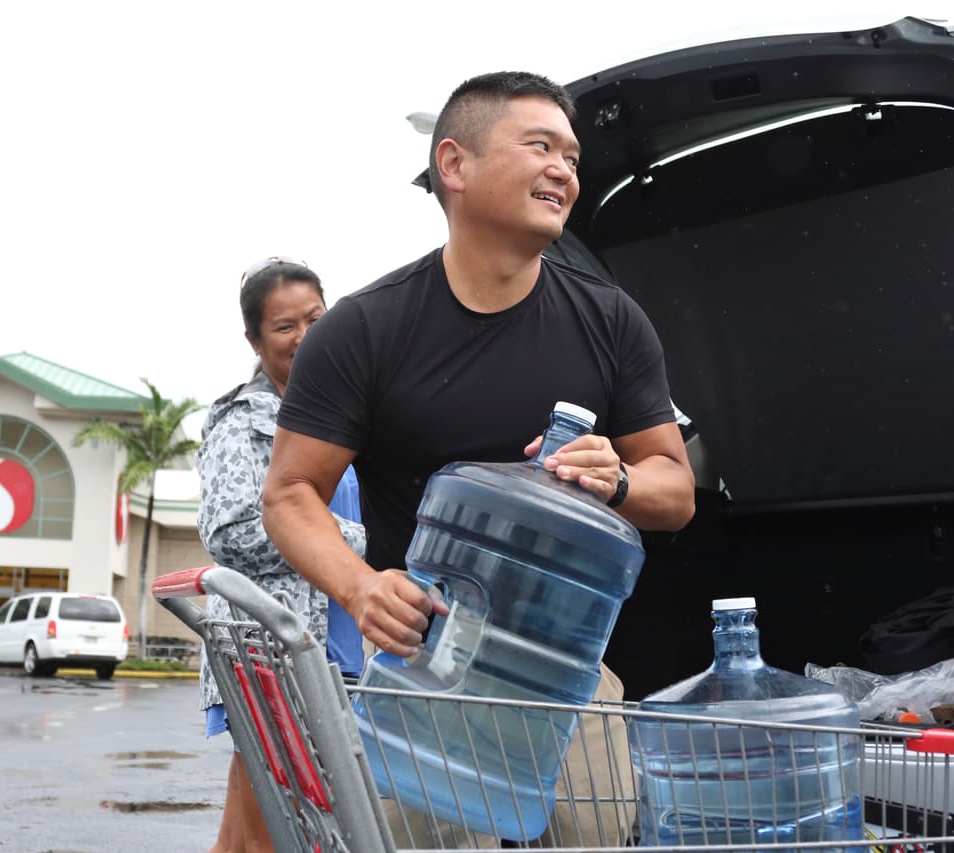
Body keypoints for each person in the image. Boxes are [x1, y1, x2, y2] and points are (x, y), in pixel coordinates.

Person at [262, 71, 697, 846]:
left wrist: (620, 478)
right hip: (423, 663)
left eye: (570, 154)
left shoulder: (610, 320)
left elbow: (675, 488)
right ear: (454, 166)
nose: (564, 167)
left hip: (567, 667)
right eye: (539, 146)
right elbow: (291, 492)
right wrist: (363, 589)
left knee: (592, 836)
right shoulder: (365, 329)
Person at [196, 257, 366, 853]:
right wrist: (349, 542)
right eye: (285, 326)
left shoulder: (348, 414)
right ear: (255, 339)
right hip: (271, 647)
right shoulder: (242, 424)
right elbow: (230, 531)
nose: (305, 338)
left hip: (337, 644)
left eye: (316, 319)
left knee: (255, 825)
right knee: (280, 817)